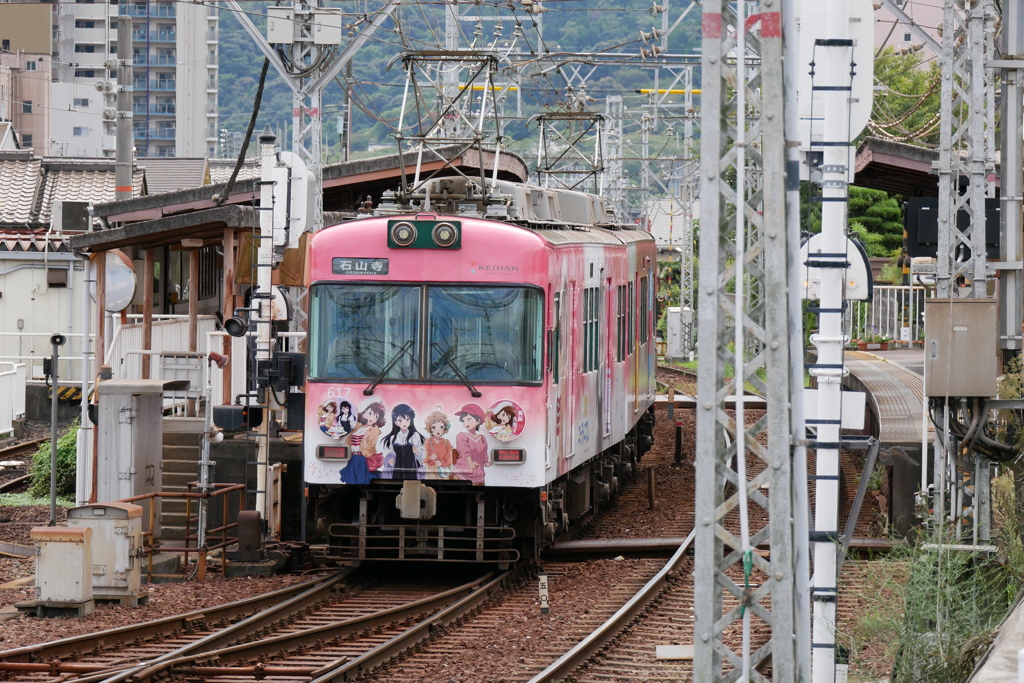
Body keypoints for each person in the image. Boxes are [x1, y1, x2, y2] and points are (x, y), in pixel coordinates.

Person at [340, 401, 387, 485]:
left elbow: (370, 449)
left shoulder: (374, 430)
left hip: (363, 459)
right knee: (350, 483)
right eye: (369, 413)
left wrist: (365, 439)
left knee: (361, 482)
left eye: (376, 416)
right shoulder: (358, 426)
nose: (372, 418)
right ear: (364, 413)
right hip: (352, 457)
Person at [381, 403, 425, 480]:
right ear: (395, 422)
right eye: (400, 420)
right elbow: (391, 453)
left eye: (407, 419)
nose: (404, 423)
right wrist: (390, 459)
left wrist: (417, 452)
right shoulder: (393, 438)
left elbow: (422, 455)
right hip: (398, 468)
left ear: (411, 420)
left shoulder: (415, 436)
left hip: (411, 467)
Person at [454, 403, 489, 484]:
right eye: (464, 420)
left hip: (479, 474)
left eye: (469, 419)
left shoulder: (483, 438)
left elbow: (484, 453)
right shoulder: (462, 436)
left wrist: (486, 462)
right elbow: (464, 451)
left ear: (477, 421)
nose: (466, 423)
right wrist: (470, 462)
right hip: (462, 473)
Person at [423, 408, 455, 479]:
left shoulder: (446, 442)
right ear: (430, 428)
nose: (438, 430)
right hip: (431, 470)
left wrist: (442, 463)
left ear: (444, 428)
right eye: (434, 427)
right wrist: (430, 458)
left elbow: (450, 458)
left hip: (443, 471)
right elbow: (423, 458)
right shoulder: (427, 442)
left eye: (441, 427)